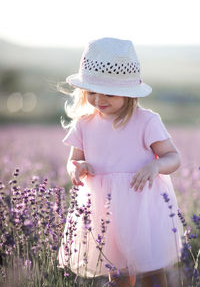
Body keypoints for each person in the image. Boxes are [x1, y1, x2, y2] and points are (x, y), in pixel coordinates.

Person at [57, 37, 183, 287]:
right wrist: (77, 168)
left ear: (128, 93)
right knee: (115, 273)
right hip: (102, 209)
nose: (98, 100)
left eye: (109, 94)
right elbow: (73, 160)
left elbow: (173, 157)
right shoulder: (83, 123)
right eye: (91, 92)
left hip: (141, 208)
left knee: (151, 273)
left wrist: (155, 165)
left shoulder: (146, 121)